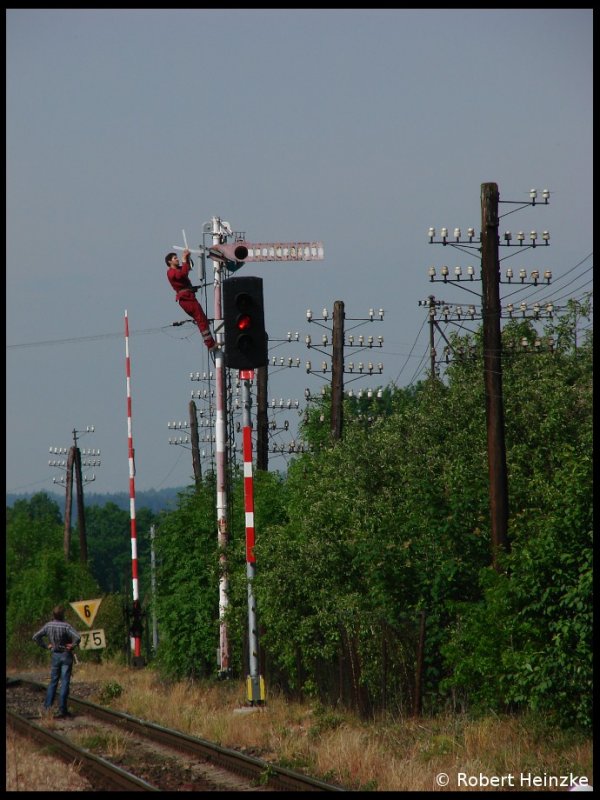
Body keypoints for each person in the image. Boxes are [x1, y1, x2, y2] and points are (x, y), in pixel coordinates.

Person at [32, 605, 81, 719]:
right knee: (64, 682)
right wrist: (72, 645)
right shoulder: (66, 626)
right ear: (63, 615)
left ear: (53, 615)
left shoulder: (48, 625)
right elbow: (77, 637)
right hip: (66, 655)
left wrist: (46, 646)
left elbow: (36, 637)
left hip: (55, 655)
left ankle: (47, 707)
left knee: (53, 681)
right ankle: (62, 709)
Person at [166, 249, 217, 351]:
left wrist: (187, 258)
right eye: (175, 258)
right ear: (169, 262)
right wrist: (185, 259)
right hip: (186, 299)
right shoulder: (171, 272)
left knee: (202, 318)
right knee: (201, 319)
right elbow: (183, 274)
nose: (177, 260)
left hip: (189, 297)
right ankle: (210, 344)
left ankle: (211, 342)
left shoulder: (177, 270)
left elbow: (187, 268)